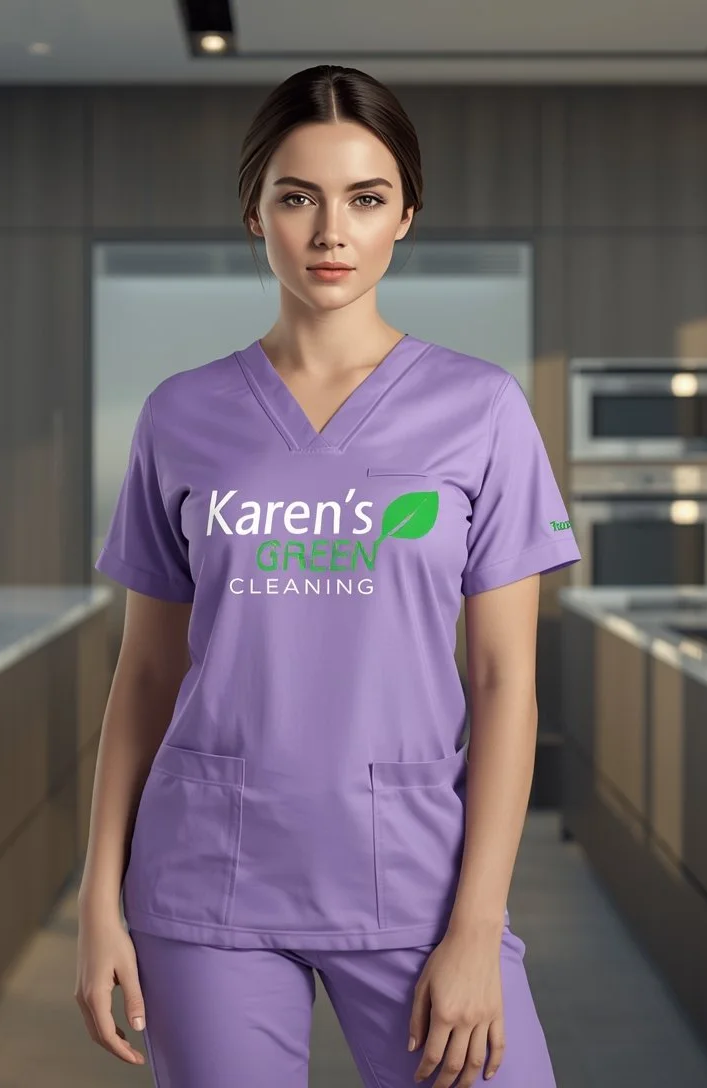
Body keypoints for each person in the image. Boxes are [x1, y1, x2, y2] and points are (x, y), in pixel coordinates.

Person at [74, 63, 579, 1088]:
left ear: (406, 217)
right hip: (207, 877)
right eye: (296, 197)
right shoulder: (181, 414)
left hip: (414, 878)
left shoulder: (480, 409)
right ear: (256, 217)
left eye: (365, 198)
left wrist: (477, 927)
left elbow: (504, 683)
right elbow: (144, 675)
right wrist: (98, 898)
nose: (330, 232)